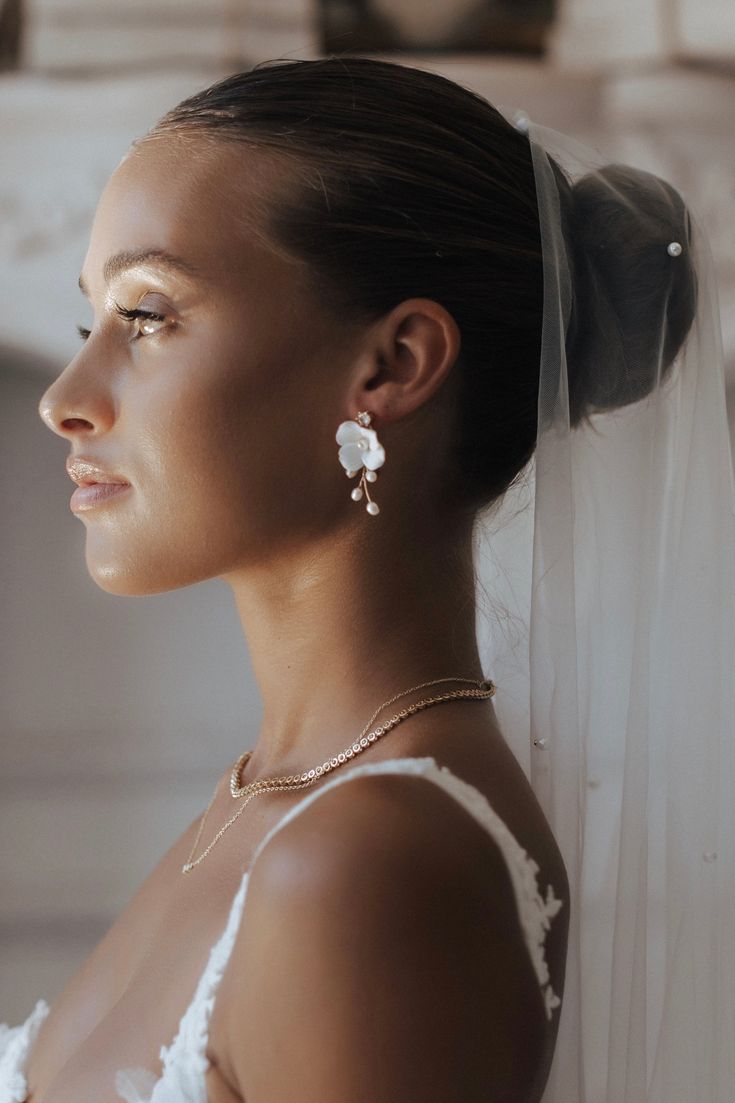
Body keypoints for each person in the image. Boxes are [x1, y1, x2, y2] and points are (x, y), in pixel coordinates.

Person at [3, 53, 732, 1103]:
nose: (67, 398)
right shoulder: (268, 797)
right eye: (89, 323)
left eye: (150, 315)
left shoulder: (369, 862)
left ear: (391, 366)